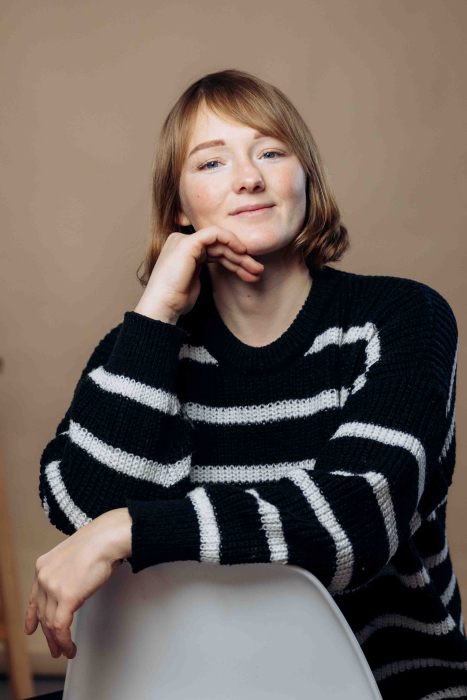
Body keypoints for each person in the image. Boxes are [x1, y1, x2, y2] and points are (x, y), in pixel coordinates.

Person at [25, 69, 467, 698]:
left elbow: (355, 520)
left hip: (377, 689)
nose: (248, 178)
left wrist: (132, 530)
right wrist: (155, 316)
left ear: (305, 178)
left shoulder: (402, 318)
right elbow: (81, 512)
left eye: (271, 152)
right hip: (178, 685)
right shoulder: (144, 348)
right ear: (179, 208)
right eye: (212, 162)